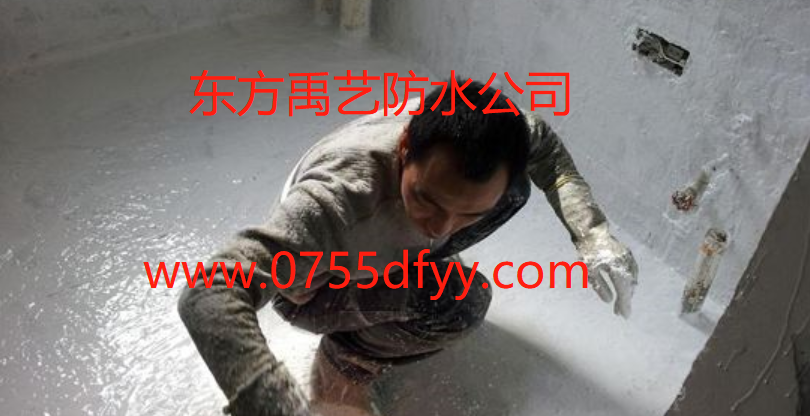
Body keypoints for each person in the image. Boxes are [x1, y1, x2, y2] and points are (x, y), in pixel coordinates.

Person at [177, 80, 639, 416]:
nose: (442, 228)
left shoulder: (497, 132)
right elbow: (208, 293)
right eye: (427, 199)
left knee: (514, 191)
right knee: (459, 303)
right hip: (317, 285)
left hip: (368, 239)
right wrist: (272, 402)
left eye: (468, 214)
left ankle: (420, 225)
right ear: (404, 147)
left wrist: (593, 235)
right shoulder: (335, 202)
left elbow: (545, 148)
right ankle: (344, 361)